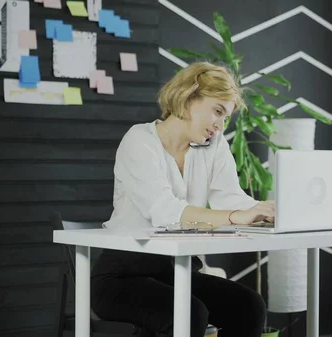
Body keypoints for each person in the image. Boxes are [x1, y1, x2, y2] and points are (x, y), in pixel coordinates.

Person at [90, 61, 276, 337]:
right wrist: (236, 216)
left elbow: (230, 198)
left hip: (175, 271)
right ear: (189, 96)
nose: (220, 125)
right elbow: (165, 211)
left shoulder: (213, 145)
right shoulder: (139, 140)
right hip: (121, 277)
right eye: (217, 111)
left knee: (249, 306)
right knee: (189, 314)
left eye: (225, 118)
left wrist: (266, 211)